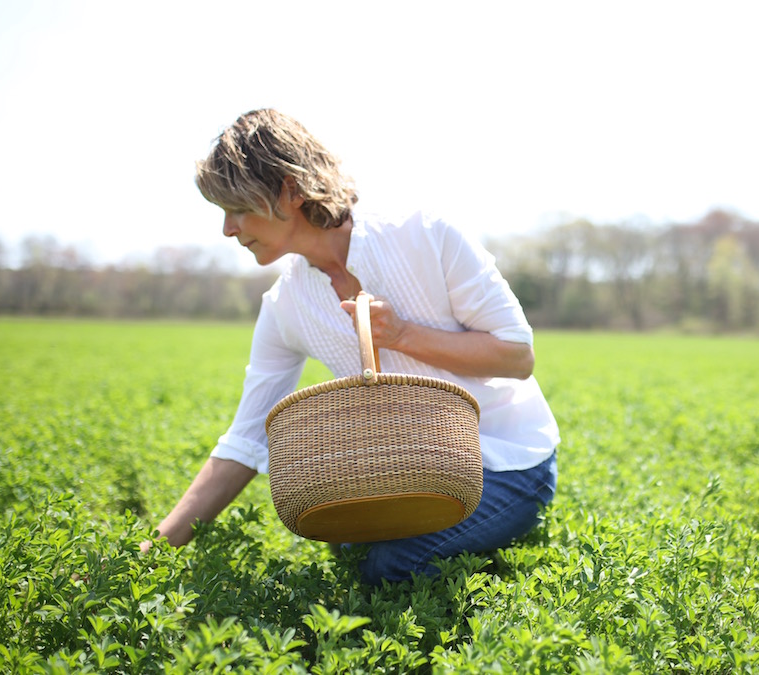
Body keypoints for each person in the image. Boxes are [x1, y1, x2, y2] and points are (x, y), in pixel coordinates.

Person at [144, 109, 559, 585]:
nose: (228, 229)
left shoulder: (425, 233)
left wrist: (402, 335)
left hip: (506, 463)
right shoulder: (285, 306)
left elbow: (516, 357)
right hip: (402, 473)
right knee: (341, 536)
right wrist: (148, 555)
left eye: (237, 207)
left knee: (391, 565)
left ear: (289, 190)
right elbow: (246, 438)